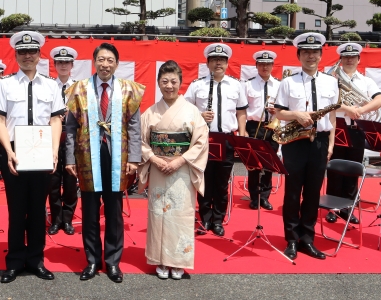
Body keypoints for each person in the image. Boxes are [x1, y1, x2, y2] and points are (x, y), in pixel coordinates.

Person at [0, 31, 65, 284]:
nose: (28, 56)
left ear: (40, 55)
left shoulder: (52, 85)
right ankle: (14, 261)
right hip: (14, 150)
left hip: (43, 149)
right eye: (22, 52)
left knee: (37, 207)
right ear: (16, 55)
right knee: (16, 208)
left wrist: (54, 150)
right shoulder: (4, 84)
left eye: (32, 51)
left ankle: (35, 259)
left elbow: (55, 119)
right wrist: (8, 151)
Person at [65, 43, 144, 283]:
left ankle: (112, 261)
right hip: (87, 154)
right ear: (94, 61)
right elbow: (70, 127)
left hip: (116, 155)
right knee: (89, 210)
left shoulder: (128, 90)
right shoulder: (79, 89)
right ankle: (91, 260)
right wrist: (69, 158)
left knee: (114, 210)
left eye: (110, 60)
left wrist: (133, 158)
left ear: (117, 64)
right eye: (101, 59)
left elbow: (134, 126)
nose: (105, 64)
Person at [138, 61, 209, 280]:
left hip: (182, 170)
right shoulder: (150, 112)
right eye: (164, 81)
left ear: (180, 83)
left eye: (173, 81)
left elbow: (200, 141)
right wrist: (153, 159)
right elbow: (140, 141)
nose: (169, 86)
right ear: (159, 83)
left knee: (181, 214)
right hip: (159, 168)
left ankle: (178, 261)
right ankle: (160, 259)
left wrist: (180, 161)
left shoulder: (191, 111)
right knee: (159, 214)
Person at [274, 32, 339, 261]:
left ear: (321, 55)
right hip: (294, 141)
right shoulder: (287, 82)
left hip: (320, 141)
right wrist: (297, 115)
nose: (311, 56)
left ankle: (307, 240)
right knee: (292, 193)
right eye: (306, 52)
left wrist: (331, 144)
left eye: (315, 52)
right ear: (299, 55)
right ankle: (291, 239)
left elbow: (332, 117)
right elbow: (278, 111)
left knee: (313, 193)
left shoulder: (331, 82)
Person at [183, 43, 247, 236]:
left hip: (226, 139)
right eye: (214, 60)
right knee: (203, 180)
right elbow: (185, 111)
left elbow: (241, 111)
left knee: (221, 182)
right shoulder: (197, 85)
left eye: (221, 60)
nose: (218, 63)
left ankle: (218, 219)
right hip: (203, 139)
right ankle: (205, 218)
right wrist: (200, 115)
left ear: (227, 63)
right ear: (208, 63)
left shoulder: (236, 85)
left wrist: (242, 135)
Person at [325, 43, 381, 224]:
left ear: (358, 59)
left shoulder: (366, 81)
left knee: (352, 170)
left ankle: (348, 207)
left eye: (353, 57)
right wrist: (347, 109)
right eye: (346, 57)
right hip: (338, 127)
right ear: (341, 60)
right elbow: (328, 99)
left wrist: (361, 110)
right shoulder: (331, 79)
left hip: (357, 129)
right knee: (334, 169)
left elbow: (380, 100)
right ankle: (332, 208)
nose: (349, 59)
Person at [47, 46, 78, 236]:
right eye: (60, 62)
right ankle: (56, 219)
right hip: (51, 137)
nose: (63, 65)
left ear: (72, 64)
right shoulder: (49, 86)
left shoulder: (79, 87)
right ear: (55, 65)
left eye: (66, 62)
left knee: (70, 182)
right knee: (52, 181)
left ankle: (67, 219)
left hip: (72, 139)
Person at [244, 50, 280, 210]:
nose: (265, 67)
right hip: (253, 127)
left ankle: (265, 197)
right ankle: (254, 196)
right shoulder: (247, 84)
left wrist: (276, 113)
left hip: (272, 127)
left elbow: (285, 108)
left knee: (269, 164)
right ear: (256, 65)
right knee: (254, 165)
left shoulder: (279, 85)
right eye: (262, 64)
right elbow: (242, 110)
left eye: (268, 64)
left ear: (273, 66)